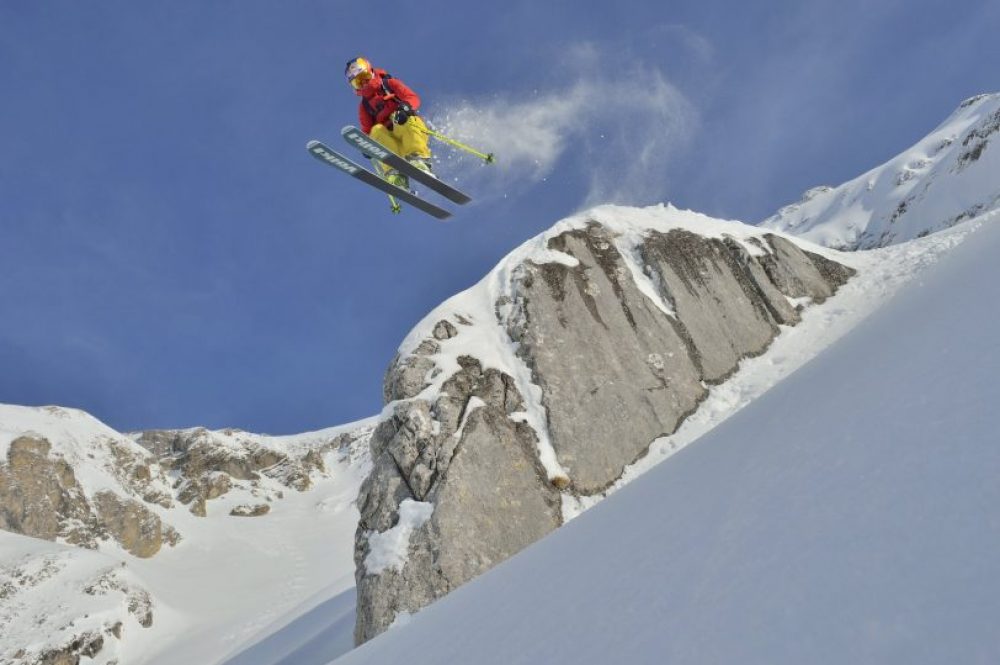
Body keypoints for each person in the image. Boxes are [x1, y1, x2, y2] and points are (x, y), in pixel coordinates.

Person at [345, 56, 433, 189]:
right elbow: (367, 130)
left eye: (364, 77)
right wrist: (366, 145)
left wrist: (405, 108)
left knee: (405, 119)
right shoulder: (364, 106)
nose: (363, 83)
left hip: (408, 131)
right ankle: (395, 174)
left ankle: (419, 160)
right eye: (358, 82)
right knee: (376, 131)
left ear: (370, 71)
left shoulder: (388, 84)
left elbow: (412, 97)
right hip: (391, 143)